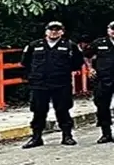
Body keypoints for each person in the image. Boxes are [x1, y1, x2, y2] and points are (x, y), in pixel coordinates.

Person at [20, 21, 85, 149]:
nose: (54, 32)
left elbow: (77, 63)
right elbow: (25, 63)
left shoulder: (70, 45)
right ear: (46, 31)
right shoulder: (34, 45)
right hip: (39, 84)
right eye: (51, 29)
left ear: (62, 31)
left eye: (57, 29)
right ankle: (36, 137)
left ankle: (67, 136)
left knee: (62, 110)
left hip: (61, 83)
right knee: (38, 111)